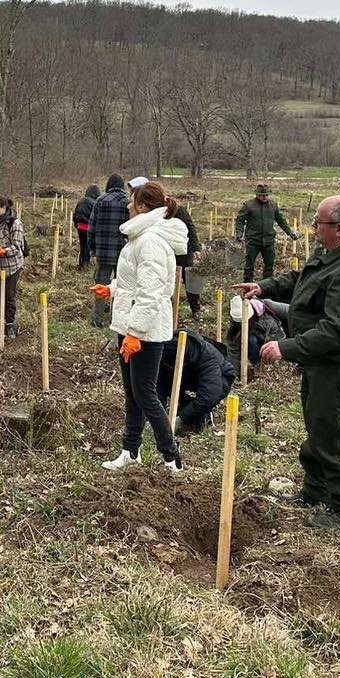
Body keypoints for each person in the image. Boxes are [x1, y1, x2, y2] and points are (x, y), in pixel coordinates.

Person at [238, 195, 340, 529]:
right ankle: (315, 490)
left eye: (319, 222)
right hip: (322, 363)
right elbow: (303, 278)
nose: (313, 228)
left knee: (329, 435)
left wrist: (286, 348)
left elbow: (336, 331)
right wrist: (264, 286)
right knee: (317, 426)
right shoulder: (333, 253)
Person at [95, 181, 189, 473]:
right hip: (131, 324)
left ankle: (171, 457)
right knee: (132, 392)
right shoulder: (140, 236)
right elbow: (135, 281)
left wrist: (135, 333)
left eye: (131, 201)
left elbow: (150, 293)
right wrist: (112, 289)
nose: (127, 205)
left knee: (145, 392)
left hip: (144, 330)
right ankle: (130, 451)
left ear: (143, 207)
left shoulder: (150, 241)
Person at [160, 329, 235, 435]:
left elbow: (208, 396)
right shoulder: (166, 350)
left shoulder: (207, 358)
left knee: (200, 408)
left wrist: (180, 419)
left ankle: (203, 415)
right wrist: (156, 418)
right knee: (165, 383)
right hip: (188, 376)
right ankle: (187, 406)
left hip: (221, 376)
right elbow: (157, 386)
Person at [234, 184, 297, 282]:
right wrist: (239, 233)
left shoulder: (273, 205)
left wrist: (290, 232)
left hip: (269, 240)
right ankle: (247, 284)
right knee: (249, 264)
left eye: (266, 195)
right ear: (257, 195)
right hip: (253, 240)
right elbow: (240, 220)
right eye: (262, 195)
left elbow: (280, 220)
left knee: (269, 264)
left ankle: (266, 286)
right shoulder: (248, 205)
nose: (265, 197)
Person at [89, 175, 129, 327]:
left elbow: (91, 228)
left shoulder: (100, 200)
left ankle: (97, 318)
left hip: (104, 252)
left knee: (101, 285)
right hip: (123, 252)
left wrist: (93, 250)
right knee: (123, 286)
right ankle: (116, 319)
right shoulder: (128, 202)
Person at [0, 196, 27, 341]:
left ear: (4, 208)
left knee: (9, 296)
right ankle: (0, 323)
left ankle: (9, 325)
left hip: (12, 265)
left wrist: (4, 251)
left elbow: (17, 246)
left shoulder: (15, 223)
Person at [172, 199, 203, 317]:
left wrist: (195, 248)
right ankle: (167, 307)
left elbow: (191, 228)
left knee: (190, 278)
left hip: (184, 250)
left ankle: (196, 309)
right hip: (167, 249)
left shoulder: (179, 210)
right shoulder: (155, 212)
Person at [72, 185, 99, 270]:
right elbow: (95, 216)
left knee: (82, 246)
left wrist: (76, 225)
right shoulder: (94, 203)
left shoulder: (80, 201)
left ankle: (81, 263)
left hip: (80, 227)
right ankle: (85, 265)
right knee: (88, 247)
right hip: (88, 227)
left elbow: (75, 215)